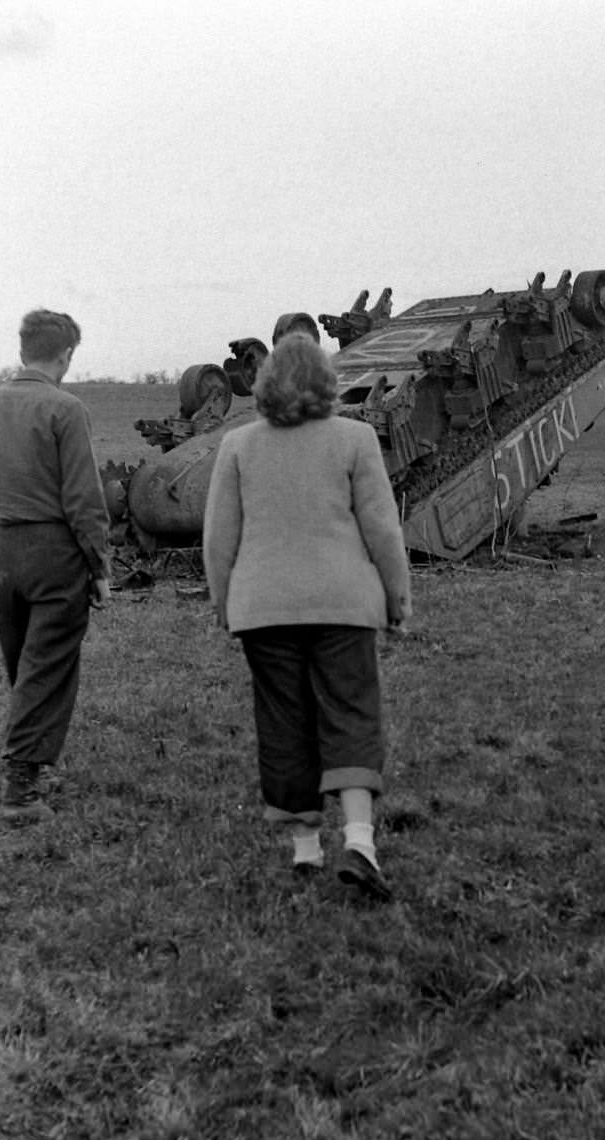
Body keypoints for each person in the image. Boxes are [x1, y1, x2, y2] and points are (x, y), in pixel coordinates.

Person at [203, 332, 412, 900]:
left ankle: (305, 851)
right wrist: (398, 596)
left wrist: (223, 601)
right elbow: (382, 530)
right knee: (350, 712)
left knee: (284, 722)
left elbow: (219, 539)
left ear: (263, 385)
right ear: (327, 384)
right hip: (344, 604)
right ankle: (361, 843)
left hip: (262, 609)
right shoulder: (356, 439)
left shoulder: (239, 446)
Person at [0, 309, 111, 824]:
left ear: (23, 350)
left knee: (25, 668)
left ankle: (33, 768)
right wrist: (99, 565)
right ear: (65, 355)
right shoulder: (66, 409)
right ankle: (20, 791)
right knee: (46, 670)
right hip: (54, 554)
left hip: (1, 552)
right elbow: (83, 498)